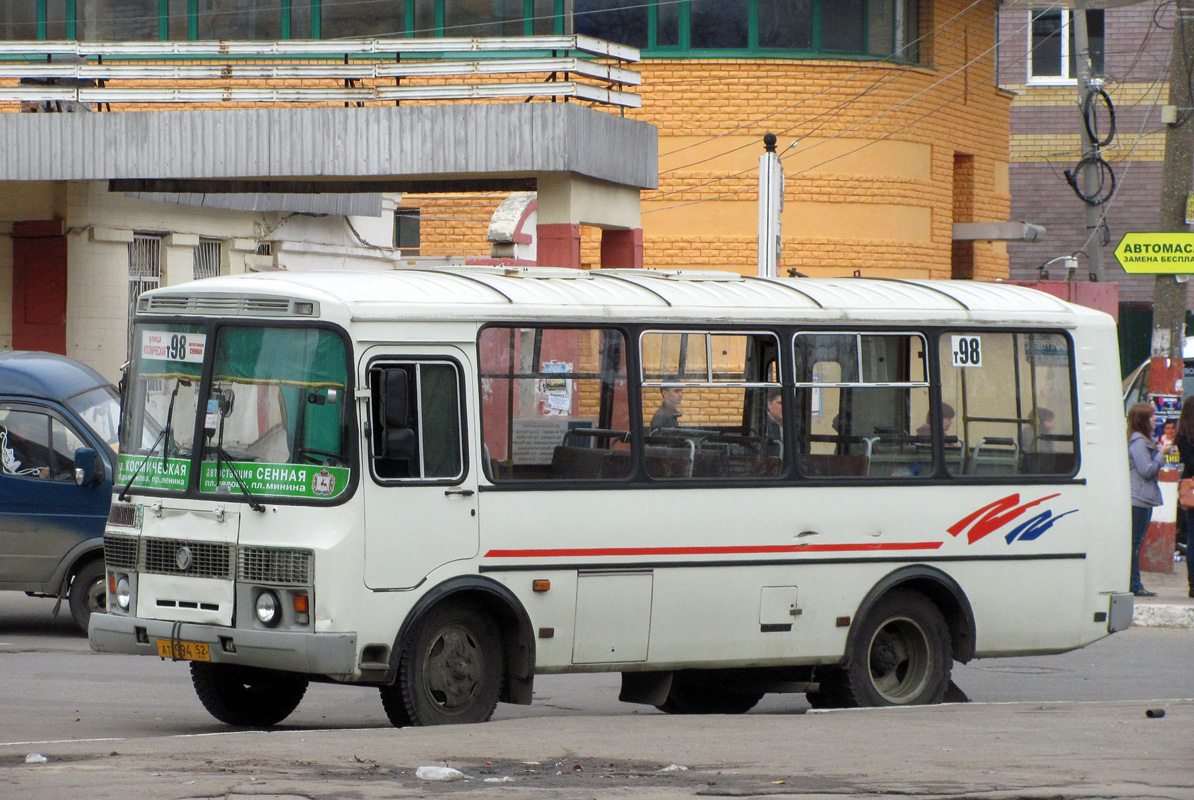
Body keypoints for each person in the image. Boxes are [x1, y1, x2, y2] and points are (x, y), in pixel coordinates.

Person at [1127, 402, 1174, 598]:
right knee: (1135, 543)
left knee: (1136, 542)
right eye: (1152, 416)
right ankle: (1134, 584)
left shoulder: (1144, 440)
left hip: (1142, 499)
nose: (1155, 419)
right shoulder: (1138, 442)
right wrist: (1162, 455)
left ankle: (1133, 582)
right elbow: (1146, 470)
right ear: (1142, 420)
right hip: (1137, 499)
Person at [1175, 400, 1194, 598]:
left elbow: (1188, 463)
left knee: (1192, 538)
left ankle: (1193, 585)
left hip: (1190, 488)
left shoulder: (1182, 435)